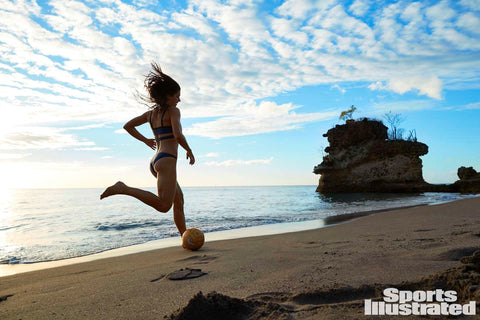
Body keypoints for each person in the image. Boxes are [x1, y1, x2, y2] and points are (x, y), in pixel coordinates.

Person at [100, 63, 195, 236]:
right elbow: (178, 135)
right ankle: (123, 188)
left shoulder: (150, 114)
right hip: (167, 160)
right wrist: (189, 150)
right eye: (177, 96)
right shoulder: (174, 111)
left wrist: (145, 140)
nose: (179, 100)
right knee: (164, 206)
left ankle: (184, 237)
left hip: (156, 160)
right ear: (167, 96)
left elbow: (128, 126)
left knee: (178, 200)